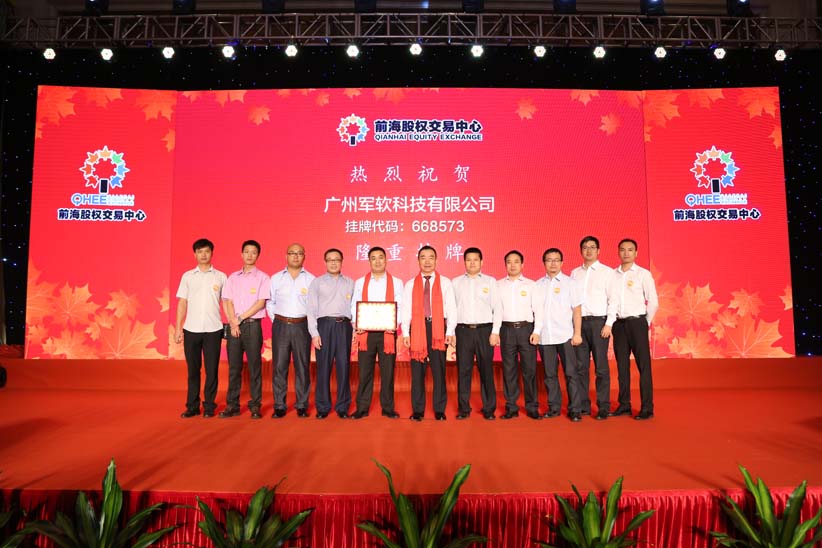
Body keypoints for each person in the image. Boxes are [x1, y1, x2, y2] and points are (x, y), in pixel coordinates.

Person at [605, 238, 659, 420]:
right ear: (618, 252)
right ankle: (624, 404)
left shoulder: (643, 274)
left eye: (630, 250)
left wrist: (645, 322)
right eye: (622, 249)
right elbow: (611, 301)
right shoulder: (612, 275)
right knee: (622, 367)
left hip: (637, 323)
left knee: (643, 366)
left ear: (636, 253)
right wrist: (611, 322)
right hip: (619, 325)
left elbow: (653, 302)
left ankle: (647, 408)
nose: (626, 253)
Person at [401, 246, 457, 422]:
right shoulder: (410, 284)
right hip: (417, 329)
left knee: (439, 371)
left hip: (437, 329)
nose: (427, 261)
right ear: (418, 261)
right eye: (423, 257)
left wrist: (450, 331)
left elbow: (452, 308)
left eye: (431, 257)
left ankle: (439, 410)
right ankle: (418, 410)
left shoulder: (445, 283)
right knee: (417, 372)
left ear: (436, 260)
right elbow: (406, 310)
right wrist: (405, 333)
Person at [174, 238, 227, 419]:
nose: (203, 255)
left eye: (206, 251)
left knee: (212, 370)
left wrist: (233, 322)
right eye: (200, 251)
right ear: (195, 254)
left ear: (212, 253)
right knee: (193, 370)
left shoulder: (221, 277)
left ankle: (209, 406)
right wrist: (178, 328)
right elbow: (182, 303)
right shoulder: (187, 276)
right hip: (191, 329)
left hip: (213, 329)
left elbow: (227, 303)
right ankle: (192, 406)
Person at [350, 247, 404, 419]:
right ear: (369, 261)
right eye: (373, 258)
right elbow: (354, 304)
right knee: (365, 371)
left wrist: (394, 324)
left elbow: (401, 306)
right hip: (366, 333)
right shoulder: (360, 282)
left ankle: (387, 408)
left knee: (388, 372)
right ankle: (362, 407)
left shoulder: (396, 282)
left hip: (388, 333)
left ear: (386, 260)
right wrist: (356, 324)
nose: (378, 261)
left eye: (381, 257)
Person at [219, 240, 270, 420]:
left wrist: (239, 319)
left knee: (255, 367)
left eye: (253, 252)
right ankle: (232, 405)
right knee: (234, 368)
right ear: (241, 254)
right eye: (247, 251)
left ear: (258, 255)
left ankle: (255, 405)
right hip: (234, 326)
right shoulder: (233, 278)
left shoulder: (263, 278)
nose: (249, 255)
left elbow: (260, 303)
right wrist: (233, 323)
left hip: (252, 326)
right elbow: (227, 301)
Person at [452, 247, 502, 420]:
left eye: (475, 259)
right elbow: (451, 310)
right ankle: (464, 408)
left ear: (481, 262)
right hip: (463, 331)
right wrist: (451, 332)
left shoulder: (490, 281)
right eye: (468, 260)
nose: (472, 263)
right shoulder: (456, 282)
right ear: (464, 262)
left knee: (486, 370)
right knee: (463, 371)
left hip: (484, 331)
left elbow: (498, 308)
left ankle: (489, 409)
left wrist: (495, 331)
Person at [266, 243, 315, 418]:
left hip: (302, 326)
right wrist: (277, 320)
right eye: (292, 253)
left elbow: (314, 306)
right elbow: (270, 302)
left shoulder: (311, 279)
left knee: (302, 366)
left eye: (299, 253)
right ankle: (279, 405)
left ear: (304, 256)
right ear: (286, 256)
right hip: (280, 325)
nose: (295, 256)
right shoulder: (276, 278)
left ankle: (302, 405)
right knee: (280, 366)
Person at [536, 248, 584, 422]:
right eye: (549, 260)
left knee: (571, 373)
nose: (553, 263)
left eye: (556, 260)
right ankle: (554, 408)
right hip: (545, 337)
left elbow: (577, 310)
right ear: (544, 263)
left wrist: (577, 333)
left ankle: (575, 409)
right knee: (550, 375)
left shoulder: (570, 283)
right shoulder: (537, 285)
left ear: (562, 263)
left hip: (566, 336)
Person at [570, 236, 614, 420]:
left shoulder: (607, 272)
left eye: (592, 247)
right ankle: (583, 405)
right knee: (581, 367)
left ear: (598, 251)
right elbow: (572, 301)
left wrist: (609, 323)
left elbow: (613, 300)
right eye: (585, 247)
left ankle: (603, 406)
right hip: (579, 323)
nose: (589, 250)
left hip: (599, 324)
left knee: (601, 367)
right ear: (581, 251)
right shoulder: (574, 273)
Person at [307, 248, 355, 419]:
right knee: (323, 368)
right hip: (324, 326)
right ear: (325, 262)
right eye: (330, 260)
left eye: (337, 260)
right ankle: (323, 406)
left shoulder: (350, 282)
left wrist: (355, 329)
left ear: (342, 262)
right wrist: (314, 333)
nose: (334, 263)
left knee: (344, 367)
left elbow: (354, 308)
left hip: (344, 327)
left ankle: (342, 407)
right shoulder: (317, 282)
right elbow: (311, 309)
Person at [497, 250, 543, 420]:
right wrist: (496, 331)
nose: (512, 265)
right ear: (505, 265)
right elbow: (497, 311)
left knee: (529, 370)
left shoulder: (531, 285)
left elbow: (539, 310)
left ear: (522, 264)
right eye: (509, 262)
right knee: (509, 370)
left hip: (526, 330)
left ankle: (532, 406)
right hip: (506, 330)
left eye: (516, 261)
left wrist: (537, 331)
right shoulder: (498, 285)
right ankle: (511, 407)